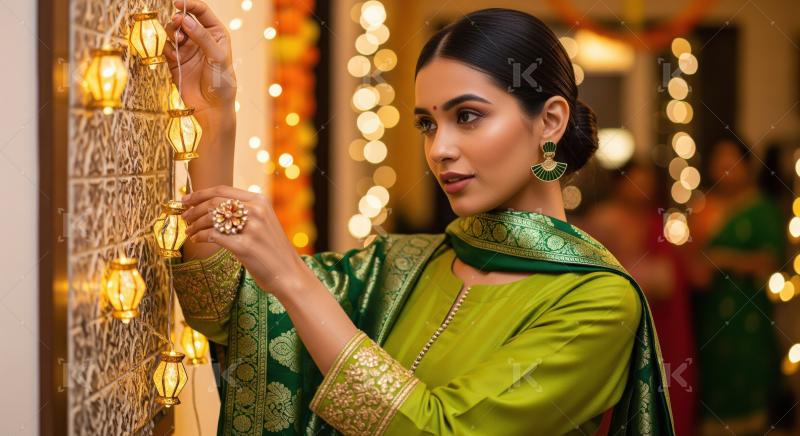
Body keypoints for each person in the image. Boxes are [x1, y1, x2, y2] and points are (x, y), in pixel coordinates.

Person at [165, 1, 675, 434]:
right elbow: (227, 306)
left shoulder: (600, 303)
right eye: (428, 124)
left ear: (550, 120)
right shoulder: (402, 264)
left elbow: (437, 427)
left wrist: (294, 279)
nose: (440, 149)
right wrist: (215, 116)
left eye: (468, 116)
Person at [577, 162, 697, 435]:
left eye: (646, 183)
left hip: (659, 321)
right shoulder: (604, 218)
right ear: (621, 184)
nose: (640, 190)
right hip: (617, 324)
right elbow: (593, 271)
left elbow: (671, 277)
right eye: (634, 182)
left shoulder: (662, 223)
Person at [686, 135, 785, 435]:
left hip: (748, 312)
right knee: (711, 374)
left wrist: (722, 259)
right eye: (720, 159)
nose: (726, 166)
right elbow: (693, 258)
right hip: (709, 310)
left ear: (746, 165)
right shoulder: (703, 208)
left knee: (748, 374)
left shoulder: (761, 209)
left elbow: (770, 260)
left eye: (733, 159)